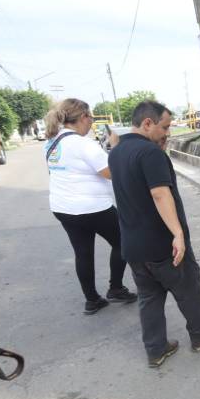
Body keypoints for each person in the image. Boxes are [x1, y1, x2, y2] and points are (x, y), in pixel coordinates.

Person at [108, 100, 200, 368]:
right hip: (162, 245)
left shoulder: (116, 152)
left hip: (133, 246)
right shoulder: (150, 154)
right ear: (147, 123)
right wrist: (178, 234)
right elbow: (160, 194)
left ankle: (156, 349)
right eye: (165, 127)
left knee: (148, 298)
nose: (168, 134)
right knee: (188, 288)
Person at [44, 98, 137, 315]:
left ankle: (92, 300)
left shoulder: (51, 143)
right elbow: (112, 173)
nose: (92, 123)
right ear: (83, 117)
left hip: (63, 208)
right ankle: (115, 288)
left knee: (82, 253)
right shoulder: (84, 144)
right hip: (93, 208)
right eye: (91, 118)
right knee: (123, 241)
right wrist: (114, 147)